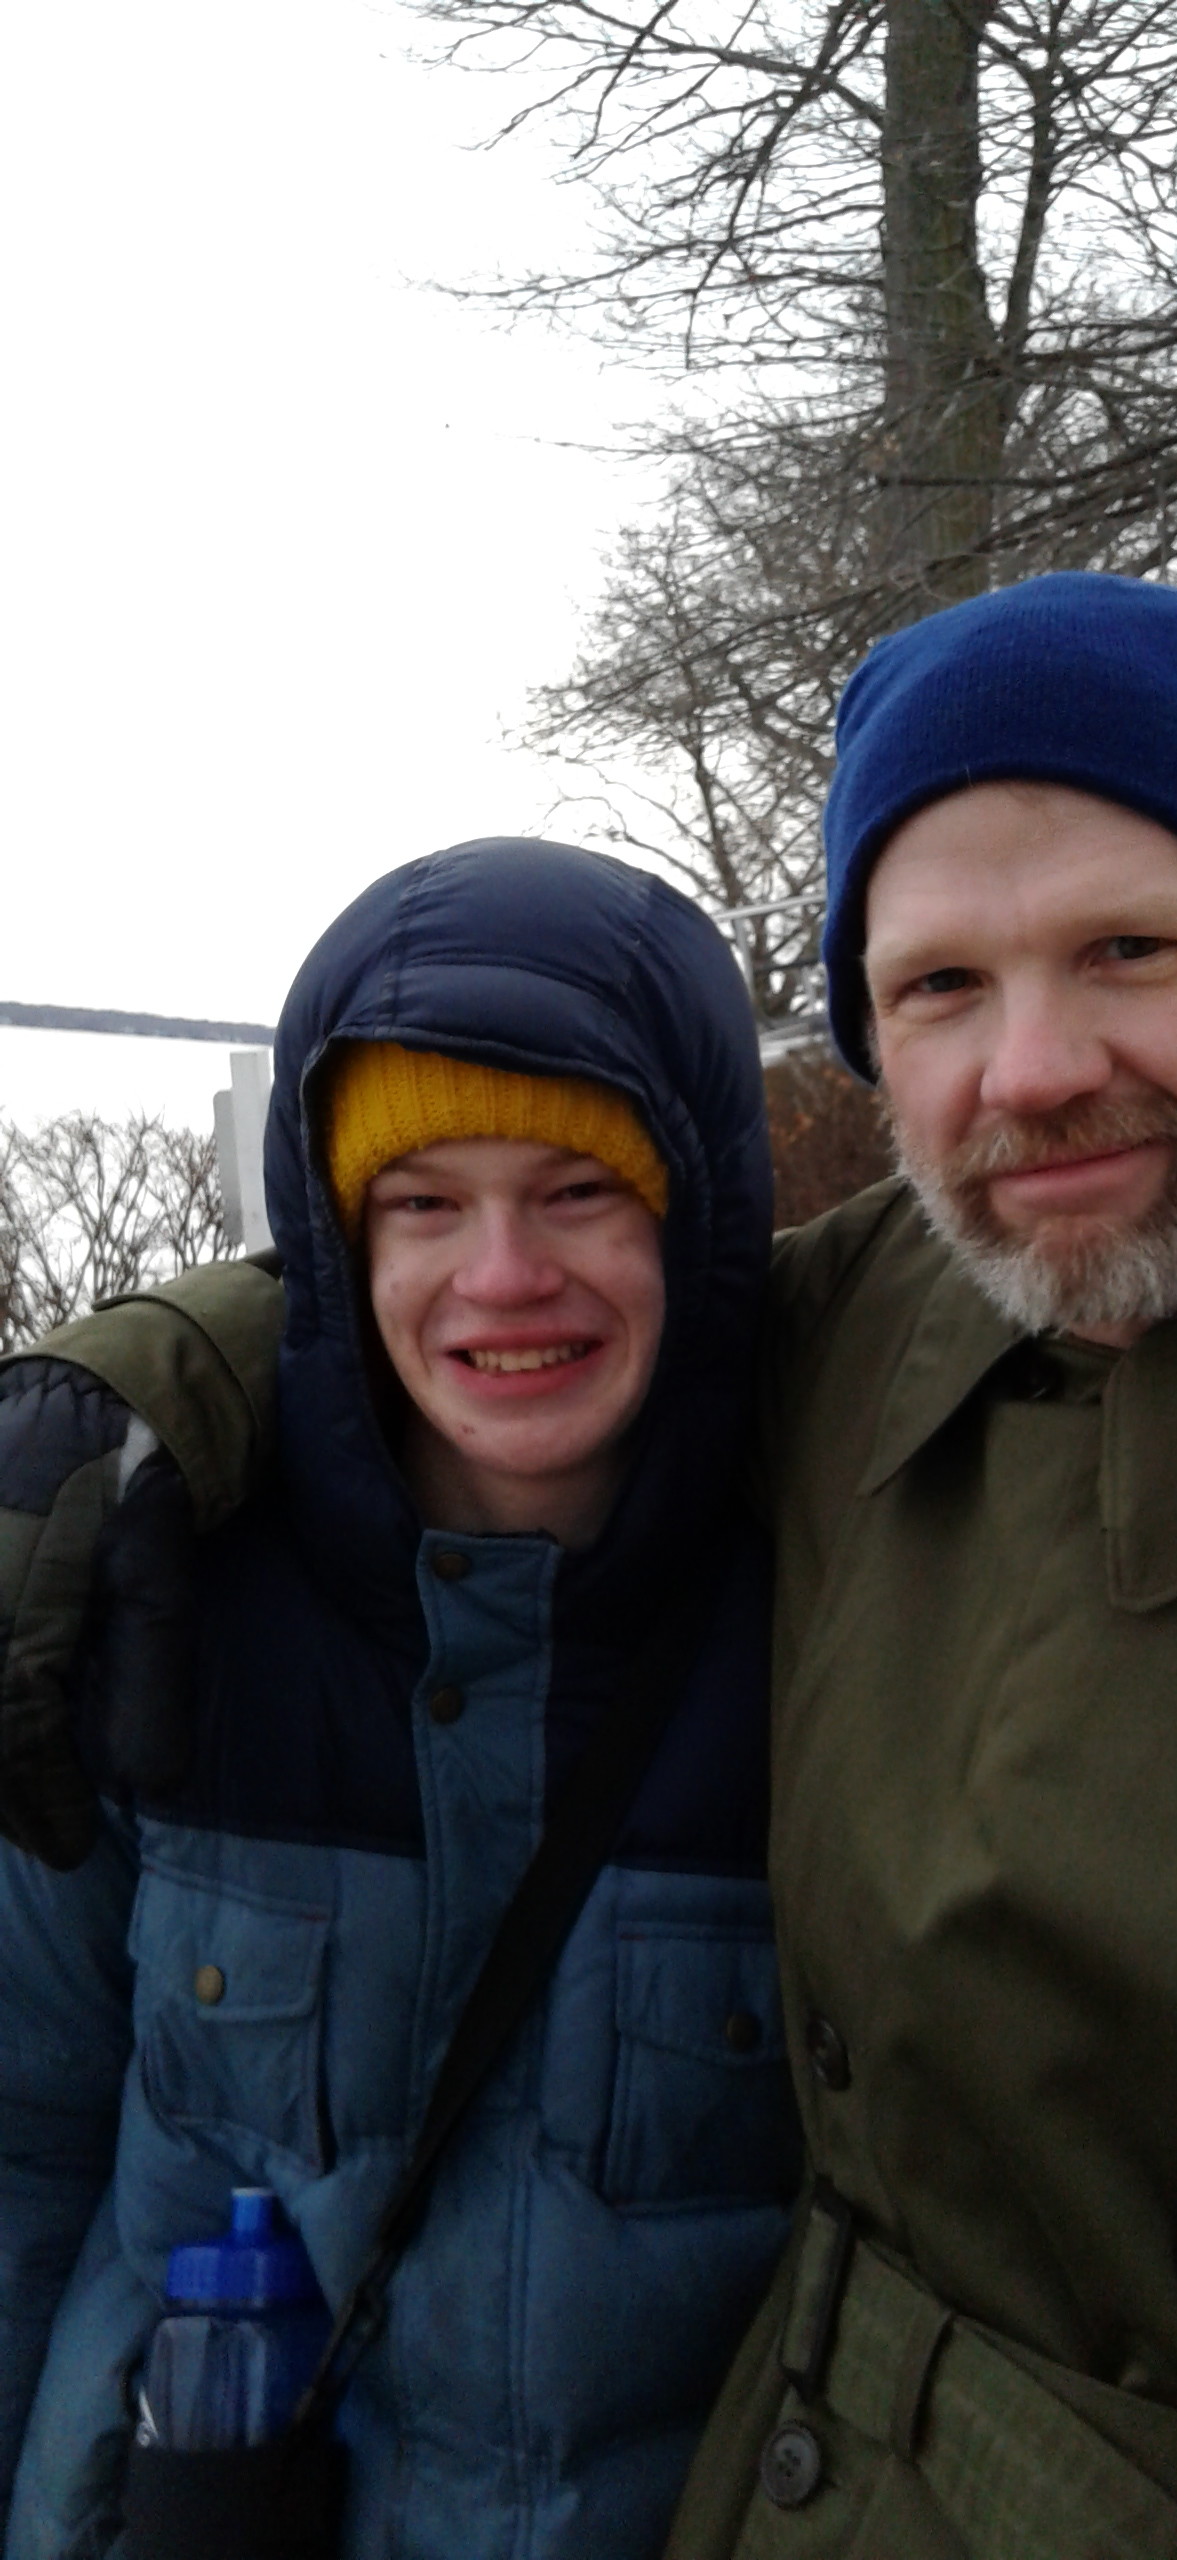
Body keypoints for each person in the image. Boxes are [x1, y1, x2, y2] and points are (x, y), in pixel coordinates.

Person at [4, 573, 1177, 2558]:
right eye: (940, 985)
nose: (1031, 1067)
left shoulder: (872, 1413)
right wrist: (113, 1396)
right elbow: (469, 1305)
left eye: (1130, 946)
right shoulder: (883, 1323)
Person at [0, 835, 800, 2558]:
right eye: (421, 1203)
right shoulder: (161, 1600)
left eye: (579, 1192)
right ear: (335, 1241)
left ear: (701, 1217)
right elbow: (22, 2135)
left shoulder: (841, 1617)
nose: (500, 1276)